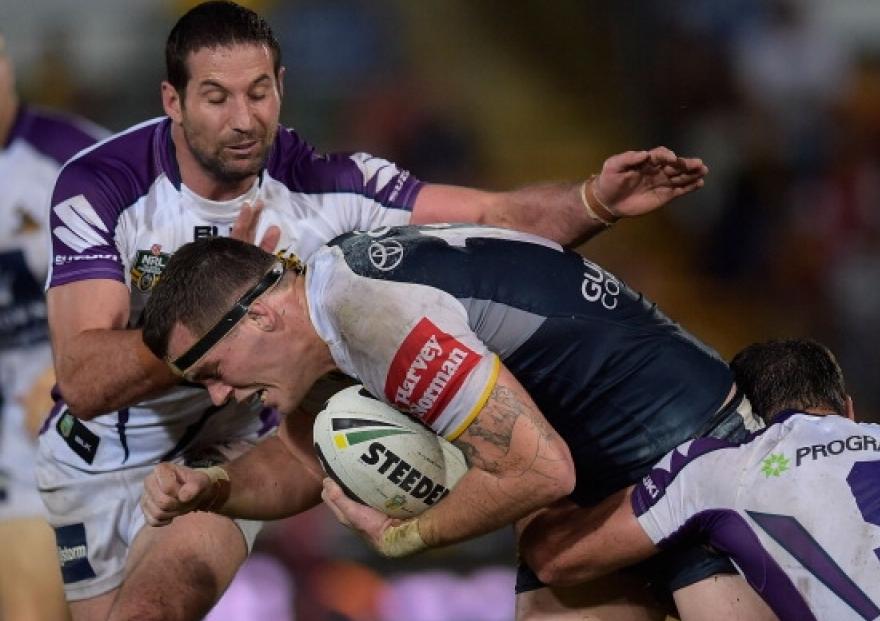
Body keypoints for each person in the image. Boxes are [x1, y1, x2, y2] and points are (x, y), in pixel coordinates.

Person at [38, 2, 711, 620]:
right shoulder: (105, 184)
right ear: (172, 100)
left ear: (283, 87)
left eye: (260, 92)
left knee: (154, 609)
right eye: (215, 97)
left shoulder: (327, 184)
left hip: (244, 443)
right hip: (93, 459)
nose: (244, 119)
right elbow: (86, 381)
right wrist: (218, 320)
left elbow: (492, 215)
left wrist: (594, 201)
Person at [138, 226, 774, 621]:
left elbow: (537, 470)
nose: (220, 395)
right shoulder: (331, 297)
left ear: (260, 317)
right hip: (613, 476)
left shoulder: (371, 317)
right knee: (550, 555)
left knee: (552, 552)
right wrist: (213, 488)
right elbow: (304, 465)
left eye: (213, 369)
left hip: (693, 456)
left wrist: (403, 537)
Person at [518, 338, 880, 620]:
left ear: (743, 417)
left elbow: (558, 560)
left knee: (689, 550)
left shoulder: (727, 466)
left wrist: (537, 480)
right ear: (849, 409)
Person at [0, 35, 108, 621]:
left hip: (74, 414)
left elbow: (162, 290)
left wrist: (75, 369)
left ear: (5, 68)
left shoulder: (77, 161)